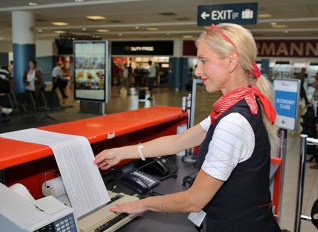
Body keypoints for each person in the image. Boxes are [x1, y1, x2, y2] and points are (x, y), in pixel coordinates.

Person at [94, 23, 281, 232]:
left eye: (203, 61)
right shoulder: (238, 105)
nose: (198, 71)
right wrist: (121, 152)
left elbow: (194, 201)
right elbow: (177, 142)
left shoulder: (233, 121)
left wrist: (143, 203)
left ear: (231, 61)